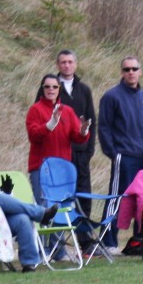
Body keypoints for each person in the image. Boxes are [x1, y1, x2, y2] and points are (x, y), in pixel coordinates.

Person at [98, 57, 143, 251]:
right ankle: (108, 241)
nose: (131, 72)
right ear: (122, 72)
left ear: (140, 72)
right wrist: (114, 153)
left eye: (134, 69)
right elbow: (104, 128)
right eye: (127, 69)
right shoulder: (112, 97)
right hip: (125, 156)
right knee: (118, 197)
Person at [35, 49, 97, 240]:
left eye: (70, 62)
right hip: (58, 153)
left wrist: (88, 150)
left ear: (75, 64)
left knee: (83, 194)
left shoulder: (84, 90)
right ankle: (56, 241)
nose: (67, 65)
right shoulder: (50, 86)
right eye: (63, 62)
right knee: (58, 197)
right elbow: (40, 116)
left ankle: (84, 240)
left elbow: (91, 121)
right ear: (58, 64)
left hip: (80, 151)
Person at [26, 73, 91, 204]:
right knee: (44, 208)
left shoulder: (67, 111)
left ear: (59, 89)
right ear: (42, 89)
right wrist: (51, 124)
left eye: (55, 87)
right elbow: (33, 136)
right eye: (47, 86)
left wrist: (84, 132)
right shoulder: (35, 110)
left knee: (63, 207)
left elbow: (77, 138)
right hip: (41, 168)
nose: (51, 89)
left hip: (62, 168)